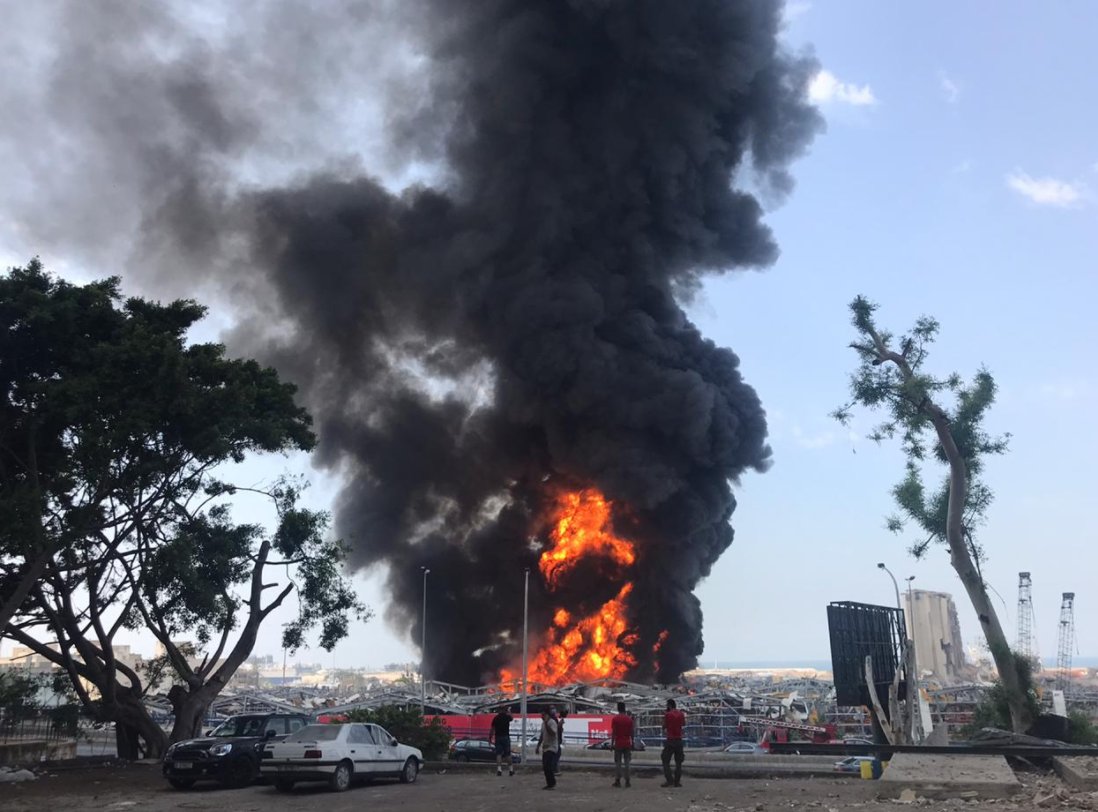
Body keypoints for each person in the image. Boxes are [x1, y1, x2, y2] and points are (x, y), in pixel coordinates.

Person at [661, 698, 686, 788]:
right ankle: (677, 782)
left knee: (665, 760)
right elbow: (683, 724)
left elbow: (664, 726)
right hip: (679, 740)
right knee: (678, 763)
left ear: (669, 705)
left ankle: (669, 780)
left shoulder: (668, 714)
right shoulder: (681, 714)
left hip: (670, 740)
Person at [535, 708, 560, 789]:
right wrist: (538, 746)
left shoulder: (552, 722)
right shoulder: (543, 724)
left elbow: (552, 733)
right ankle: (549, 783)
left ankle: (552, 782)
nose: (542, 717)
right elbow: (542, 735)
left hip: (552, 747)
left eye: (543, 715)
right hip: (545, 747)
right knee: (545, 766)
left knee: (548, 765)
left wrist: (546, 724)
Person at [610, 701, 634, 788]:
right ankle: (627, 781)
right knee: (627, 763)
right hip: (627, 743)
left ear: (618, 709)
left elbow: (614, 733)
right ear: (624, 708)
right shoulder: (629, 719)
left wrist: (612, 744)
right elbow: (632, 732)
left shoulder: (615, 719)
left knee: (618, 763)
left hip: (618, 743)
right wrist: (632, 742)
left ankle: (618, 781)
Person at [488, 706, 514, 777]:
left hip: (498, 737)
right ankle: (511, 770)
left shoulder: (496, 718)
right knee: (508, 754)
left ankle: (499, 770)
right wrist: (509, 711)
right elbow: (512, 718)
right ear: (505, 710)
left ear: (499, 710)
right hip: (506, 737)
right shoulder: (507, 717)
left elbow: (492, 729)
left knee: (498, 754)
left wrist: (490, 737)